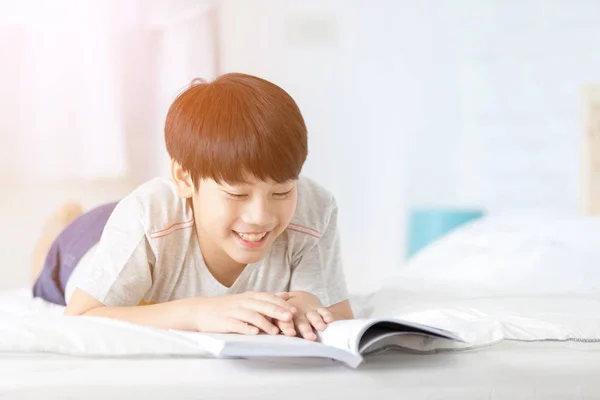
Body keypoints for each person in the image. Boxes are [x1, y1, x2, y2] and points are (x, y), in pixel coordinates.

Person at [30, 72, 353, 341]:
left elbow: (339, 312)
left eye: (281, 193)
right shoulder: (147, 215)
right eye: (237, 195)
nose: (261, 217)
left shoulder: (314, 211)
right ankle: (57, 227)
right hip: (88, 242)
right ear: (184, 178)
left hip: (155, 226)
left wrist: (306, 305)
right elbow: (81, 315)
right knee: (49, 273)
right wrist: (198, 312)